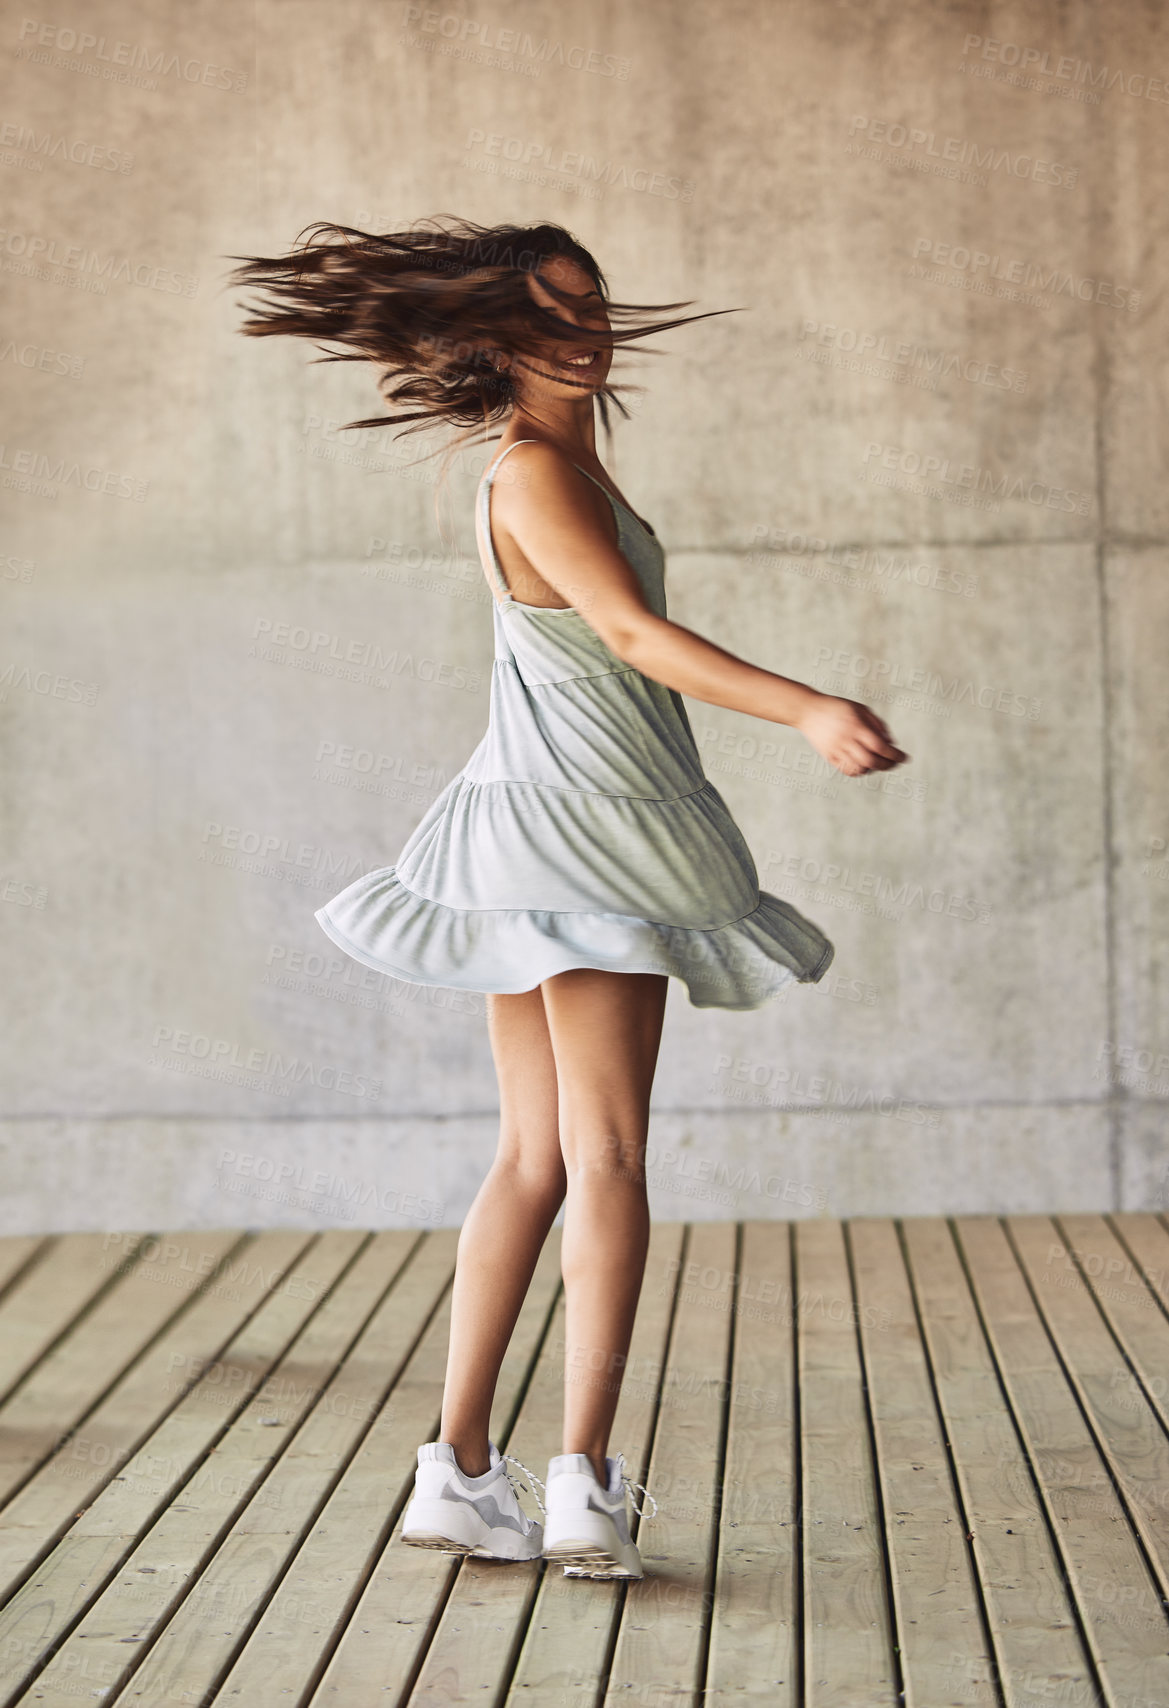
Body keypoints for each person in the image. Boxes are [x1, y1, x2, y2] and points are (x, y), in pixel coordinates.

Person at [229, 217, 908, 1579]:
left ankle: (456, 1471)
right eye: (551, 313)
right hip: (575, 845)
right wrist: (807, 708)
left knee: (535, 1160)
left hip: (538, 831)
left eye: (589, 305)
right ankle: (581, 1481)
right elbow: (631, 636)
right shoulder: (535, 471)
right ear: (493, 335)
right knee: (600, 1159)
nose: (584, 332)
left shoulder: (556, 466)